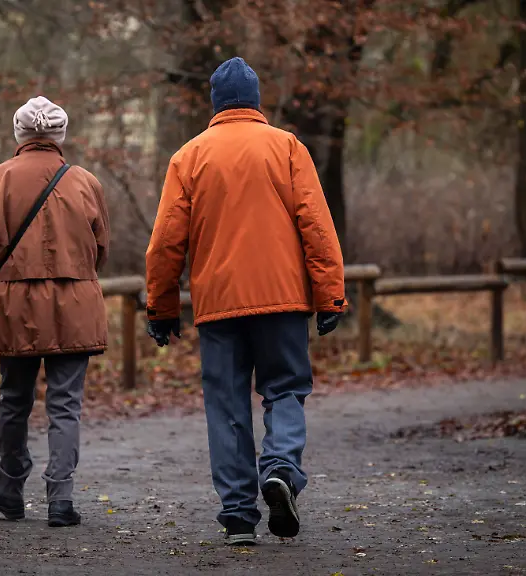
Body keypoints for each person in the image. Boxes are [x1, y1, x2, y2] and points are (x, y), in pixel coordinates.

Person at [144, 57, 347, 545]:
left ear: (216, 103)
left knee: (226, 404)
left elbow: (166, 242)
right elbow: (316, 225)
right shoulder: (287, 147)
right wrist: (330, 295)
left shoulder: (188, 156)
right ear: (256, 101)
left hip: (218, 305)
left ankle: (238, 515)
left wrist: (163, 306)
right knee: (285, 388)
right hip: (282, 299)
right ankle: (279, 469)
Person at [0, 96, 110, 528]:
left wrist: (2, 270)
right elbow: (101, 250)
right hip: (75, 304)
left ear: (19, 134)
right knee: (65, 405)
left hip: (15, 305)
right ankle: (60, 500)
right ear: (60, 136)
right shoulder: (85, 182)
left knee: (14, 400)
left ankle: (9, 491)